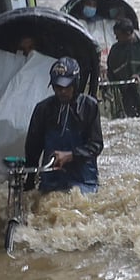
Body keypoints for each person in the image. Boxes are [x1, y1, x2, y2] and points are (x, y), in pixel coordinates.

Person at [24, 57, 103, 194]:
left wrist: (71, 155)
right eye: (58, 87)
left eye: (67, 87)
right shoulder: (43, 109)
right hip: (51, 180)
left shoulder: (89, 106)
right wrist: (29, 182)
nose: (62, 92)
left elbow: (96, 145)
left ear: (75, 84)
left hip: (84, 180)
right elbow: (33, 149)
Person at [105, 19, 140, 117]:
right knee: (128, 118)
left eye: (118, 35)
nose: (116, 38)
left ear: (128, 33)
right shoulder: (115, 50)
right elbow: (111, 72)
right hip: (125, 92)